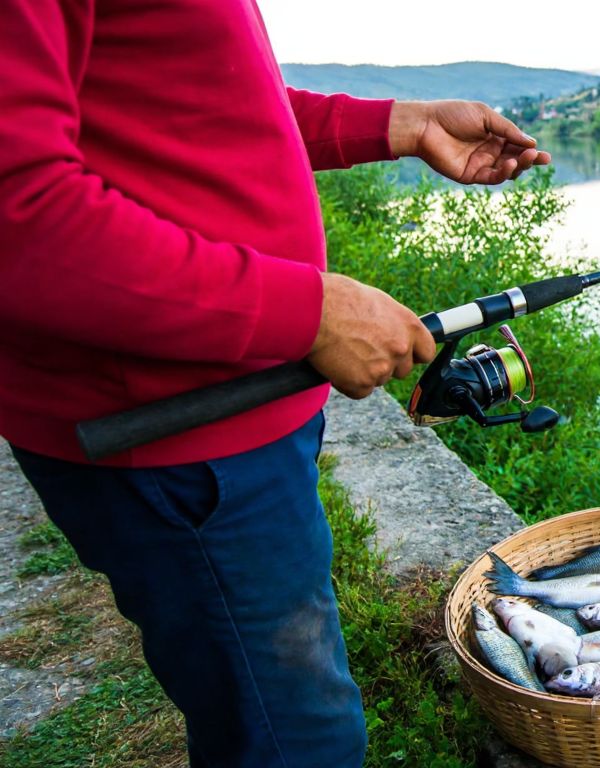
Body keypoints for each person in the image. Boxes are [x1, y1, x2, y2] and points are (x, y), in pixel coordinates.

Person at [0, 1, 550, 765]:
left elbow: (206, 113)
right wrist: (310, 312)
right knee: (297, 741)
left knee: (277, 717)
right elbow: (18, 214)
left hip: (238, 423)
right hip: (176, 441)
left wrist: (402, 124)